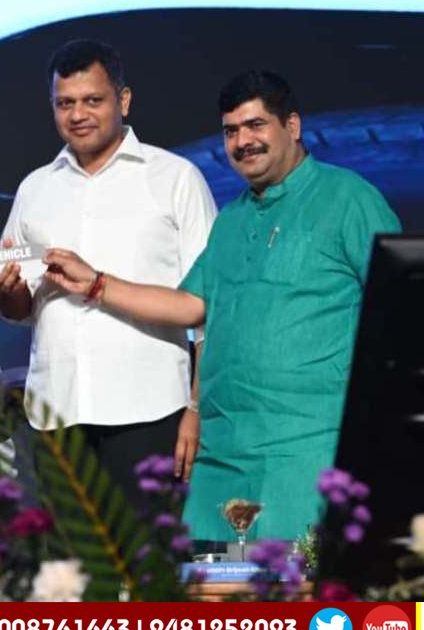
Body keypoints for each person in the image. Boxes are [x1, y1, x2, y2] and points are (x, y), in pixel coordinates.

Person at [38, 71, 401, 542]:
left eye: (256, 125)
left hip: (309, 448)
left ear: (292, 126)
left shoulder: (349, 199)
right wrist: (96, 284)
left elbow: (399, 306)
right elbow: (191, 304)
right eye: (231, 131)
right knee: (215, 582)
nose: (242, 141)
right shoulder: (231, 219)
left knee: (306, 582)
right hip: (224, 452)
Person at [0, 40, 217, 509]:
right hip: (57, 414)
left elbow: (208, 306)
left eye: (93, 100)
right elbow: (21, 309)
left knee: (149, 554)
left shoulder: (175, 178)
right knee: (65, 558)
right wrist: (8, 290)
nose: (78, 115)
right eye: (64, 103)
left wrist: (196, 410)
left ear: (123, 100)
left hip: (150, 409)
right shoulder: (36, 187)